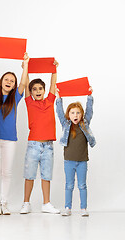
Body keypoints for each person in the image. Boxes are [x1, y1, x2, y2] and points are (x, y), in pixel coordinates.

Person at [0, 50, 27, 215]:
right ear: (1, 81)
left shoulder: (15, 97)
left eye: (12, 80)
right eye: (6, 79)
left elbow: (23, 83)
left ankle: (4, 203)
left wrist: (26, 65)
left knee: (7, 172)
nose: (9, 82)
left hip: (10, 140)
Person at [20, 54, 61, 214]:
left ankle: (46, 203)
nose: (38, 91)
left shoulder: (50, 101)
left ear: (44, 91)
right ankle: (26, 203)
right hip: (33, 145)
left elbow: (53, 84)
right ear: (31, 92)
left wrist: (54, 69)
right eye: (34, 89)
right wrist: (26, 67)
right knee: (29, 175)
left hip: (48, 146)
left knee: (46, 175)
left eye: (40, 89)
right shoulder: (29, 102)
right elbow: (27, 80)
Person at [56, 87, 95, 217]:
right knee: (69, 185)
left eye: (78, 113)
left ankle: (83, 208)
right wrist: (58, 98)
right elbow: (59, 112)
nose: (75, 115)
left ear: (81, 114)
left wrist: (89, 96)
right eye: (72, 113)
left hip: (82, 161)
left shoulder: (85, 124)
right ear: (69, 115)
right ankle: (68, 207)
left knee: (82, 185)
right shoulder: (66, 124)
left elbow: (90, 110)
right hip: (69, 161)